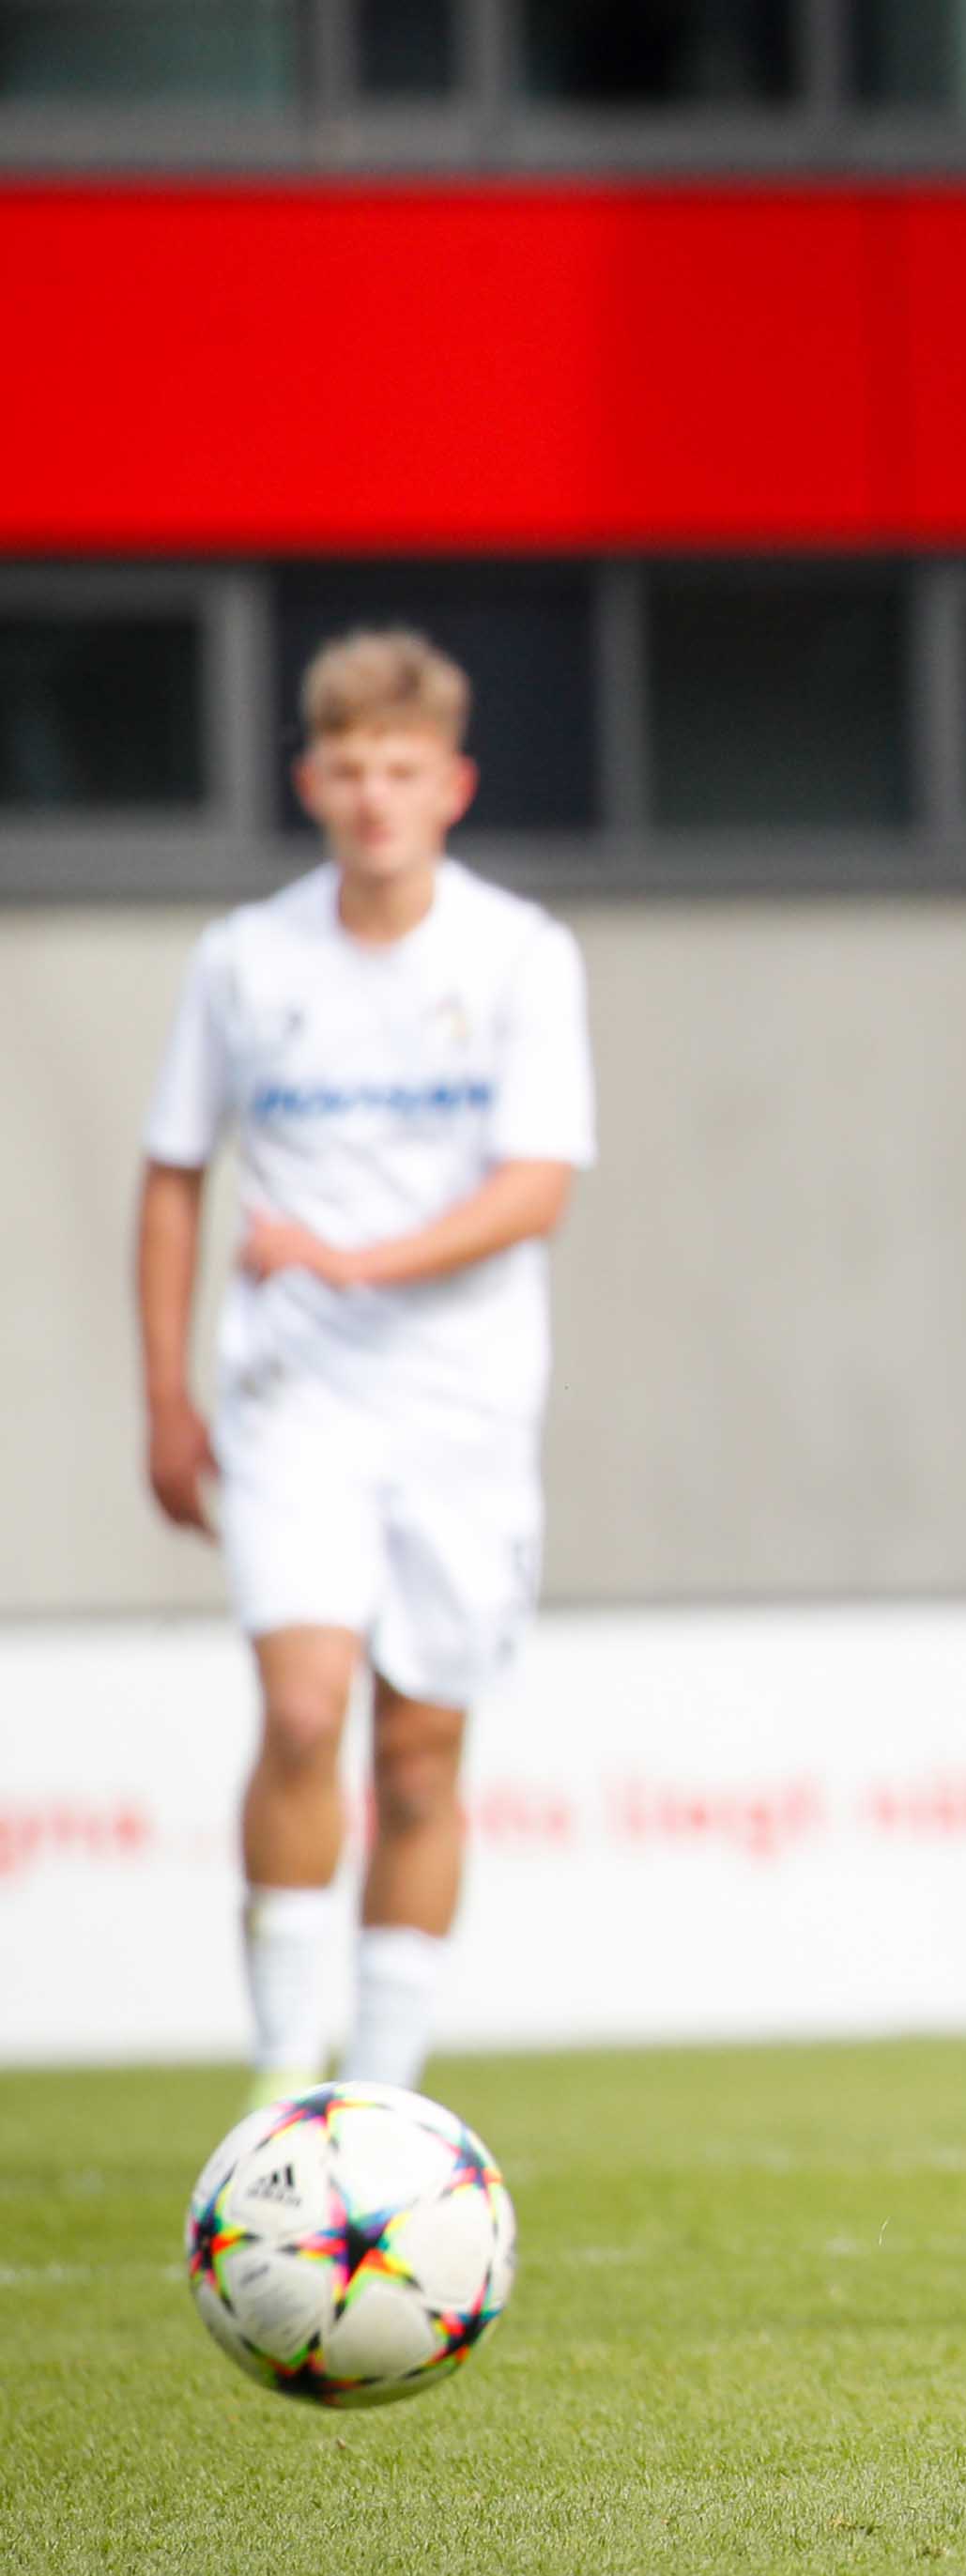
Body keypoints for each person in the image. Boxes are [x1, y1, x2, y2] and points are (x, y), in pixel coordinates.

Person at [135, 629, 598, 2112]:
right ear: (311, 784)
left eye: (402, 769)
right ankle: (282, 2079)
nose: (374, 796)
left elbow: (535, 1187)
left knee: (417, 1756)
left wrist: (354, 1260)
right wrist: (165, 1392)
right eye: (347, 769)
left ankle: (385, 2097)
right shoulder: (247, 958)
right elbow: (173, 1173)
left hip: (462, 1403)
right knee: (301, 1707)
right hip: (294, 1400)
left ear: (450, 785)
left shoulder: (518, 953)